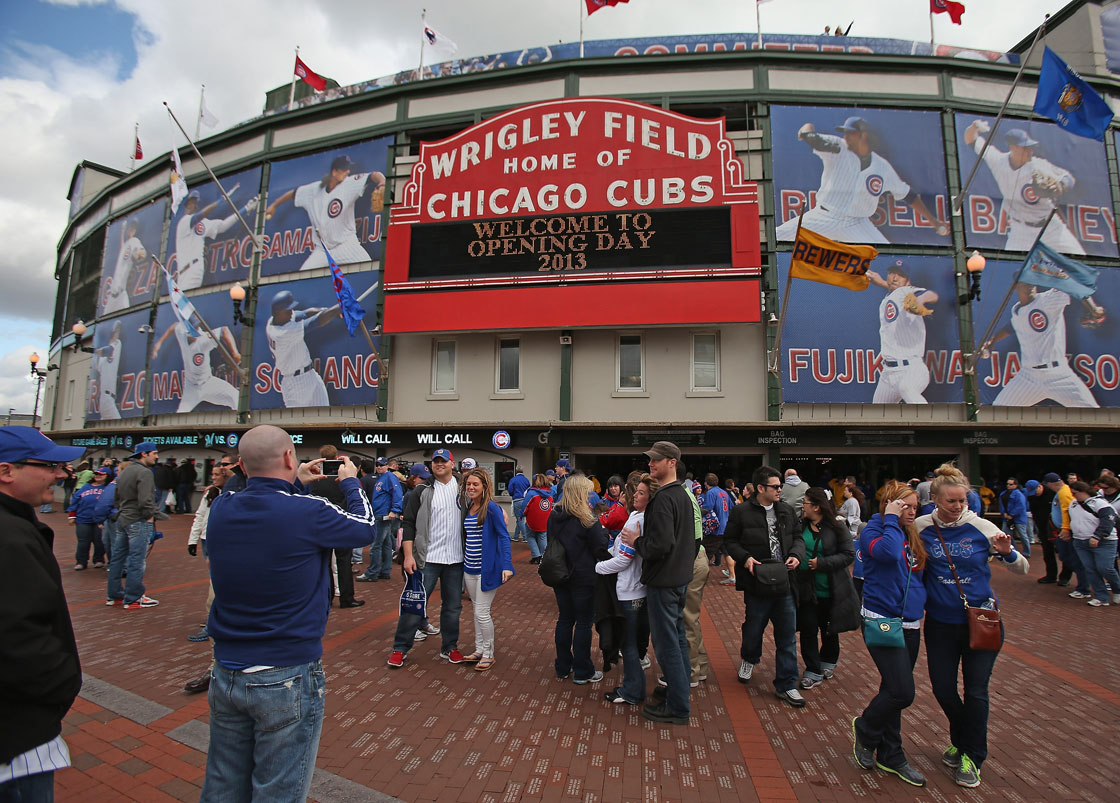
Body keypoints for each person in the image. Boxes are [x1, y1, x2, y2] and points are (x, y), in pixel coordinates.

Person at [200, 426, 375, 802]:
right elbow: (365, 530)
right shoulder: (307, 510)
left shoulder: (223, 507)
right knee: (278, 790)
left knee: (222, 785)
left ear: (242, 465)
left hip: (227, 671)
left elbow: (262, 498)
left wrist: (292, 478)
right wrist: (351, 484)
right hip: (286, 672)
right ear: (288, 458)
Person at [917, 463, 1029, 789]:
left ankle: (972, 755)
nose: (958, 507)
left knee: (976, 691)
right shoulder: (923, 526)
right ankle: (964, 739)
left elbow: (1022, 568)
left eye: (962, 501)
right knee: (942, 688)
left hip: (981, 620)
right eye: (951, 501)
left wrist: (1008, 554)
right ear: (934, 499)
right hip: (939, 623)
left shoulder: (982, 526)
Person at [0, 427, 85, 802]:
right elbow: (19, 637)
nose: (61, 474)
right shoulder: (10, 537)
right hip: (18, 733)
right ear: (7, 471)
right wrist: (61, 685)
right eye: (49, 466)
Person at [852, 480, 928, 788]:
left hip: (910, 622)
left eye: (914, 506)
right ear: (890, 505)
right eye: (904, 506)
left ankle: (891, 753)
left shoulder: (913, 535)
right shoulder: (873, 532)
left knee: (892, 690)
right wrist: (890, 519)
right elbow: (885, 555)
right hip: (882, 620)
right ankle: (866, 729)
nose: (911, 511)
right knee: (901, 692)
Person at [775, 116, 947, 244]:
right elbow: (811, 138)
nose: (847, 136)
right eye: (845, 133)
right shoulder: (838, 146)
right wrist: (807, 130)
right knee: (777, 237)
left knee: (887, 255)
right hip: (824, 216)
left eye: (851, 133)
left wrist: (933, 220)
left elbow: (908, 195)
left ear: (863, 135)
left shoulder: (882, 167)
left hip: (856, 223)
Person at [724, 465, 806, 707]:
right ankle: (749, 658)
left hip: (784, 580)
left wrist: (796, 554)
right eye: (776, 486)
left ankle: (787, 683)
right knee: (753, 627)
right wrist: (745, 557)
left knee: (787, 635)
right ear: (761, 488)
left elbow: (798, 537)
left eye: (780, 486)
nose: (780, 490)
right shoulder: (741, 512)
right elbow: (731, 541)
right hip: (756, 581)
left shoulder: (787, 511)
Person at [627, 442, 695, 725]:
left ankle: (678, 707)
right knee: (677, 640)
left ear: (671, 463)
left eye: (656, 460)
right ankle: (678, 695)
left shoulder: (665, 498)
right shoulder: (682, 495)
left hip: (664, 580)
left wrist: (637, 542)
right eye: (650, 460)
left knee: (667, 643)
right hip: (678, 578)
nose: (651, 464)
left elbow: (661, 544)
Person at [387, 449, 467, 668]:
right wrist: (408, 556)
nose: (439, 464)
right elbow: (408, 524)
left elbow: (482, 506)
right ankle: (400, 648)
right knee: (415, 604)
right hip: (427, 559)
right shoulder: (421, 490)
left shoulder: (464, 488)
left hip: (456, 559)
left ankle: (450, 647)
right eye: (436, 461)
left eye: (444, 461)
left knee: (452, 607)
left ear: (453, 463)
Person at [962, 121, 1085, 254]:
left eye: (1030, 147)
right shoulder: (997, 160)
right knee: (1010, 268)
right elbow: (971, 140)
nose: (1030, 151)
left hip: (1049, 226)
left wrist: (1060, 185)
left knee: (1080, 259)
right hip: (1021, 231)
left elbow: (1068, 178)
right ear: (1013, 148)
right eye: (1025, 147)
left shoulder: (1037, 165)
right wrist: (974, 127)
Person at [981, 281, 1102, 408]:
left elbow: (1074, 285)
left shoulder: (1048, 300)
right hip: (1028, 377)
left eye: (1033, 282)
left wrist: (1092, 308)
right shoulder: (1018, 310)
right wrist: (993, 340)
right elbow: (1012, 326)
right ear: (1016, 286)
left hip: (1059, 375)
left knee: (1093, 413)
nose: (1031, 286)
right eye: (1026, 283)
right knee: (998, 411)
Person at [264, 154, 386, 270]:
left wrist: (382, 183)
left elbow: (373, 175)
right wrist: (274, 205)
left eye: (347, 168)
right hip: (322, 250)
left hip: (346, 245)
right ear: (334, 172)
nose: (347, 171)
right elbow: (293, 194)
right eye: (344, 169)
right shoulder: (314, 190)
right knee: (303, 278)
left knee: (368, 270)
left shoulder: (349, 183)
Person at [597, 473, 657, 705]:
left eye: (642, 493)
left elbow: (623, 559)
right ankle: (635, 686)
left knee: (628, 645)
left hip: (629, 590)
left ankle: (633, 691)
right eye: (636, 491)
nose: (635, 496)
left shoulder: (637, 521)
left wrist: (598, 567)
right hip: (637, 588)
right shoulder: (636, 516)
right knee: (632, 644)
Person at [548, 474, 610, 685]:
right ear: (580, 492)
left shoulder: (554, 514)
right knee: (583, 623)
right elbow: (600, 547)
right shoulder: (587, 518)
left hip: (560, 573)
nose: (590, 494)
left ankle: (563, 666)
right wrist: (605, 532)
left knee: (565, 619)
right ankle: (583, 670)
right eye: (587, 490)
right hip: (584, 576)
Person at [795, 488, 859, 690]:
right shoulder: (800, 525)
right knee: (808, 629)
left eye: (805, 502)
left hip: (831, 588)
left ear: (816, 506)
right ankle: (812, 669)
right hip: (806, 588)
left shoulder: (837, 527)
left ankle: (828, 661)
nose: (802, 506)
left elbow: (849, 554)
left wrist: (822, 563)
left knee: (829, 629)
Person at [459, 468, 514, 671]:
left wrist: (507, 565)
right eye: (469, 484)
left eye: (475, 484)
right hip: (469, 568)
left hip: (487, 569)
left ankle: (489, 653)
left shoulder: (491, 508)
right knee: (476, 610)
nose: (471, 487)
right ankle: (479, 649)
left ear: (484, 487)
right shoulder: (467, 507)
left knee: (482, 612)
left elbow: (503, 536)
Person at [183, 465, 230, 694]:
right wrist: (194, 539)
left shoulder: (241, 490)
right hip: (210, 543)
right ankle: (216, 664)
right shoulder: (211, 493)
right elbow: (201, 515)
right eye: (211, 474)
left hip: (228, 547)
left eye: (218, 473)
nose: (214, 477)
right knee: (214, 599)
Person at [865, 260, 938, 404]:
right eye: (892, 273)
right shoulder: (889, 298)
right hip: (888, 373)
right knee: (875, 417)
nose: (895, 278)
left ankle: (931, 425)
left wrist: (920, 300)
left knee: (907, 389)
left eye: (901, 275)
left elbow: (931, 294)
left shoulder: (908, 292)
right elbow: (894, 292)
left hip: (912, 368)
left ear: (908, 281)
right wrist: (881, 283)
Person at [306, 446, 364, 610]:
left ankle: (327, 596)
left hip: (322, 523)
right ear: (336, 456)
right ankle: (347, 598)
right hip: (341, 523)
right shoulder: (343, 476)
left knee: (325, 563)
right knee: (344, 561)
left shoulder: (315, 477)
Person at [108, 442, 161, 608]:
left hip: (123, 519)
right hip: (138, 520)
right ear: (144, 454)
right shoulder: (145, 472)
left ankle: (114, 595)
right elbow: (146, 500)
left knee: (117, 558)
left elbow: (116, 498)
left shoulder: (124, 471)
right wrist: (149, 516)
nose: (157, 456)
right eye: (154, 453)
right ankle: (133, 597)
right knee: (136, 559)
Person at [172, 188, 258, 290]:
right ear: (187, 205)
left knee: (186, 301)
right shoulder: (184, 221)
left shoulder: (203, 222)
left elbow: (223, 225)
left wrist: (246, 209)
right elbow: (200, 216)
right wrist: (220, 201)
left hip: (194, 268)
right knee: (181, 303)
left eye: (194, 202)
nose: (192, 205)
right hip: (182, 272)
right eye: (190, 203)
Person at [151, 321, 241, 413]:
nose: (195, 331)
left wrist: (235, 352)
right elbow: (174, 327)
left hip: (208, 383)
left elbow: (224, 330)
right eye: (192, 329)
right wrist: (159, 343)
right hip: (191, 388)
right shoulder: (181, 332)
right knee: (181, 414)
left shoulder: (204, 338)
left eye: (196, 328)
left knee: (236, 396)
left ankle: (240, 424)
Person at [1067, 480, 1120, 607]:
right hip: (1080, 541)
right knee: (1090, 569)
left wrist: (1098, 536)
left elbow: (1108, 520)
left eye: (1075, 493)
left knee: (1105, 568)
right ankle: (1101, 596)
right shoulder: (1073, 504)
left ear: (1084, 491)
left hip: (1104, 542)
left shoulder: (1100, 503)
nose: (1074, 496)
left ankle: (1117, 589)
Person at [357, 457, 403, 582]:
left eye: (382, 465)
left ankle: (372, 572)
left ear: (387, 466)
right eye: (377, 465)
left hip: (383, 514)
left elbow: (397, 493)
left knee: (376, 545)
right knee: (386, 544)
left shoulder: (389, 477)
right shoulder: (382, 478)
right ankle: (385, 571)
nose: (379, 467)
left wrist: (395, 510)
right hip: (380, 513)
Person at [1044, 472, 1089, 596]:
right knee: (1066, 558)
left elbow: (1067, 511)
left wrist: (1065, 529)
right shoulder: (1063, 491)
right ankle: (1084, 585)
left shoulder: (1064, 493)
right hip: (1063, 530)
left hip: (1066, 532)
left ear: (1050, 484)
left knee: (1073, 559)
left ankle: (1084, 587)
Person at [66, 466, 111, 569]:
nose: (98, 476)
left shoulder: (108, 488)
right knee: (83, 541)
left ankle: (99, 559)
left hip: (100, 520)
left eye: (101, 474)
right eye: (96, 474)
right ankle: (81, 561)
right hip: (83, 518)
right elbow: (75, 500)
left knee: (99, 541)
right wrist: (71, 516)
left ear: (107, 476)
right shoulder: (86, 486)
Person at [101, 217, 146, 315]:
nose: (131, 230)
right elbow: (123, 247)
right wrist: (122, 232)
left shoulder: (134, 241)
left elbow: (142, 253)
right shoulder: (126, 244)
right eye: (130, 227)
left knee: (126, 317)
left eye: (134, 228)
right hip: (111, 298)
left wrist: (138, 254)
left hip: (121, 296)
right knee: (104, 321)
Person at [1025, 479, 1057, 583]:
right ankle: (1051, 575)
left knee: (1064, 554)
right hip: (1042, 527)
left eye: (1035, 491)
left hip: (1055, 527)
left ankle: (1065, 577)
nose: (1034, 494)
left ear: (1039, 486)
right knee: (1047, 553)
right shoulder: (1031, 497)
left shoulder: (1052, 493)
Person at [522, 473, 554, 564]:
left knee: (530, 536)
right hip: (545, 519)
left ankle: (536, 555)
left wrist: (521, 515)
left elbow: (525, 505)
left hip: (532, 519)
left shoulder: (531, 493)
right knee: (542, 537)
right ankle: (544, 556)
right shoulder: (550, 493)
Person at [999, 477, 1031, 557]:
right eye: (1007, 484)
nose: (1008, 486)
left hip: (1018, 518)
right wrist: (1004, 513)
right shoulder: (1003, 494)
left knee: (1023, 535)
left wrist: (1012, 515)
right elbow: (1001, 505)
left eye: (1011, 484)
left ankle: (1027, 552)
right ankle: (1014, 550)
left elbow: (1020, 506)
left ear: (1016, 485)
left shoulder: (1019, 494)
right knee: (1006, 535)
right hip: (1007, 517)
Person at [508, 465, 530, 543]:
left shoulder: (513, 480)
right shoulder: (526, 480)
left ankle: (525, 537)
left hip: (517, 500)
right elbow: (528, 489)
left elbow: (510, 491)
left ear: (516, 471)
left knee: (520, 519)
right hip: (525, 500)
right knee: (519, 519)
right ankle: (516, 536)